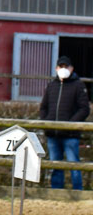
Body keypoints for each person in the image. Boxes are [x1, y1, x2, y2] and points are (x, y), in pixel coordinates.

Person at [38, 55, 89, 189]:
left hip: (71, 135)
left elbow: (84, 109)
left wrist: (71, 124)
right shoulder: (51, 86)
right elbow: (43, 107)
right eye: (61, 66)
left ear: (71, 69)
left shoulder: (78, 86)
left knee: (74, 165)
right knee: (55, 165)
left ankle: (78, 192)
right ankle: (56, 191)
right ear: (56, 68)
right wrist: (46, 122)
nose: (63, 69)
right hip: (53, 134)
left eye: (66, 67)